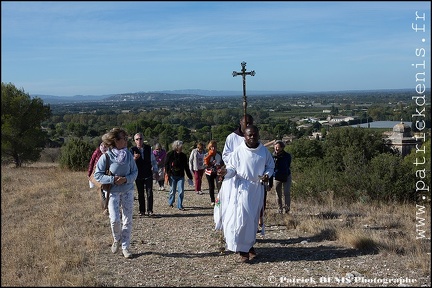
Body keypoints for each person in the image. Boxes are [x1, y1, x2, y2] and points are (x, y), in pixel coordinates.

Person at [218, 125, 274, 263]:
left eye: (254, 134)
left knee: (253, 219)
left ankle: (249, 245)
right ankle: (243, 250)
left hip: (256, 188)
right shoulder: (239, 151)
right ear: (245, 136)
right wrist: (226, 172)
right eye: (249, 135)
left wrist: (267, 175)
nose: (252, 137)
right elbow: (232, 169)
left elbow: (270, 166)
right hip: (242, 188)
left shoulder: (264, 151)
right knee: (243, 218)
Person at [94, 128, 138, 259]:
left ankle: (125, 247)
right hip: (112, 192)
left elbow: (135, 172)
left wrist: (126, 179)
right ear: (115, 141)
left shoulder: (129, 155)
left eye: (126, 138)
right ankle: (116, 239)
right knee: (114, 220)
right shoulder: (106, 156)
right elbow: (98, 175)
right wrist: (113, 179)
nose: (126, 141)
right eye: (123, 139)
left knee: (127, 220)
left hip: (128, 190)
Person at [217, 114, 254, 230]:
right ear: (240, 122)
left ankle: (245, 230)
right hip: (232, 176)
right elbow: (226, 155)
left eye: (250, 123)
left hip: (248, 178)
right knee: (231, 204)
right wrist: (238, 158)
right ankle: (228, 228)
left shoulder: (253, 137)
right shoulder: (231, 137)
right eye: (246, 123)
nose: (248, 125)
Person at [130, 133, 159, 217]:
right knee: (140, 193)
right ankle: (142, 211)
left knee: (149, 192)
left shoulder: (148, 148)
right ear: (134, 141)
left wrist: (156, 171)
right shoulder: (132, 150)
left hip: (148, 174)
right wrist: (134, 158)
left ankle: (150, 210)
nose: (139, 140)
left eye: (141, 139)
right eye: (137, 139)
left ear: (143, 139)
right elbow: (129, 163)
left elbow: (153, 161)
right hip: (138, 175)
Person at [164, 140, 194, 211]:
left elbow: (186, 166)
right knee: (172, 191)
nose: (182, 147)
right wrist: (167, 172)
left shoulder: (183, 156)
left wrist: (190, 176)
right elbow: (166, 164)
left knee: (181, 191)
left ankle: (179, 205)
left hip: (180, 176)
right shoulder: (170, 154)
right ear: (176, 147)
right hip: (172, 175)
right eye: (181, 146)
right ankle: (171, 202)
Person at [88, 142, 109, 215]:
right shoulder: (97, 151)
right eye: (102, 145)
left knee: (107, 191)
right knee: (101, 191)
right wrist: (89, 173)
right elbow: (92, 162)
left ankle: (107, 208)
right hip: (98, 174)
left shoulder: (110, 152)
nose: (103, 147)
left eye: (105, 145)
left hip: (107, 174)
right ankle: (105, 208)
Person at [272, 140, 292, 214]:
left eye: (278, 147)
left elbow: (288, 165)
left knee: (286, 192)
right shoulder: (272, 156)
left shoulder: (287, 156)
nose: (277, 148)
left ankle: (287, 209)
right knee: (278, 194)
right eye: (275, 147)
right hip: (276, 176)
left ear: (282, 148)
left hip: (286, 175)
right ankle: (279, 209)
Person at [203, 140, 224, 206]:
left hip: (218, 172)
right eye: (212, 147)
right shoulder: (206, 155)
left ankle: (218, 201)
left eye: (215, 147)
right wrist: (210, 164)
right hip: (209, 172)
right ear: (209, 147)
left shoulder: (219, 154)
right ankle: (212, 200)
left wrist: (220, 165)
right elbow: (204, 165)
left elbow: (222, 162)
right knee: (211, 186)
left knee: (219, 186)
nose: (213, 148)